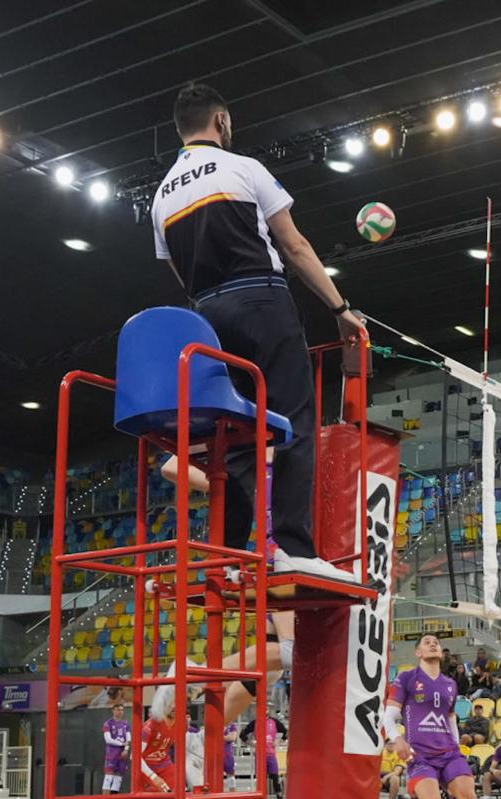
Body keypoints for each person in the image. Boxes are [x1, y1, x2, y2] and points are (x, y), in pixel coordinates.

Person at [150, 83, 364, 581]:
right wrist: (339, 307)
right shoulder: (242, 168)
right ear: (221, 121)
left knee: (236, 437)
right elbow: (293, 245)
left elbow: (182, 276)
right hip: (262, 301)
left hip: (204, 318)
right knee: (293, 420)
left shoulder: (161, 197)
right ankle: (293, 546)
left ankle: (224, 559)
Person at [382, 634, 501, 799]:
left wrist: (457, 746)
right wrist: (397, 740)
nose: (432, 643)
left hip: (449, 752)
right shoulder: (406, 679)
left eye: (436, 642)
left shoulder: (450, 684)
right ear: (418, 652)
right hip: (421, 755)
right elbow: (388, 716)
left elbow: (450, 720)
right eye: (426, 642)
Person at [99, 703, 131, 799]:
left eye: (122, 710)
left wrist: (126, 749)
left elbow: (128, 738)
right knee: (108, 779)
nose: (120, 711)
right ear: (113, 710)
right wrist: (122, 744)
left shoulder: (125, 723)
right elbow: (108, 739)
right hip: (111, 754)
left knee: (118, 779)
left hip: (122, 754)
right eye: (118, 709)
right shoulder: (108, 723)